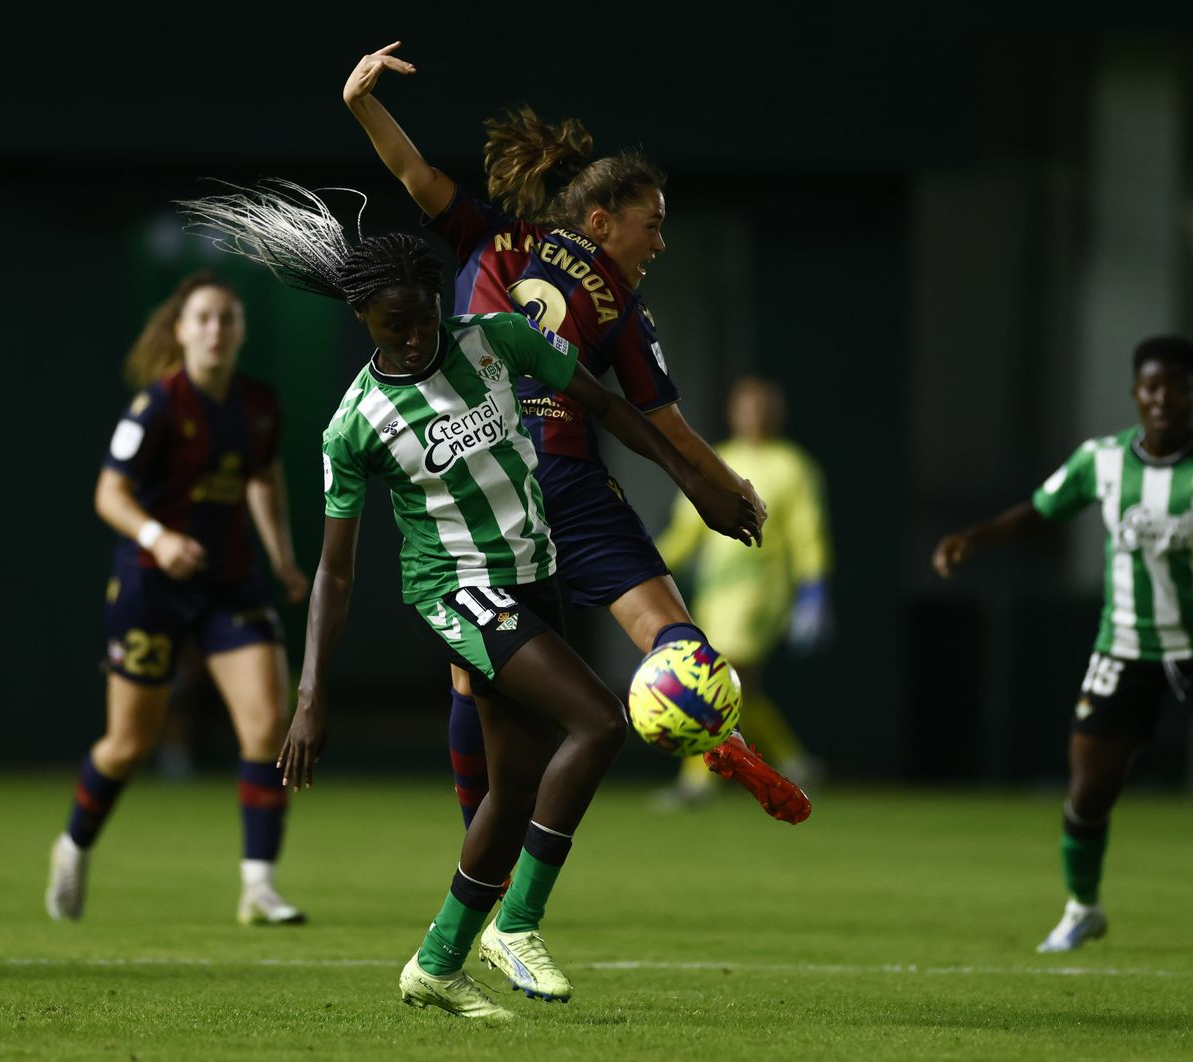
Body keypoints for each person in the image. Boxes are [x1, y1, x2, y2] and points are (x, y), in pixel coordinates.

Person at [177, 183, 759, 1018]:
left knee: (512, 791)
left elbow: (605, 406)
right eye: (394, 326)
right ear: (364, 323)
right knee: (597, 720)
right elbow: (335, 572)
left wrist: (688, 477)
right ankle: (516, 922)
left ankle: (437, 963)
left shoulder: (495, 339)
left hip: (531, 570)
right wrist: (310, 696)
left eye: (423, 318)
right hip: (455, 591)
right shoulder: (357, 425)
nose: (414, 337)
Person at [341, 42, 811, 825]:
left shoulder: (487, 237)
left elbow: (412, 173)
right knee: (671, 633)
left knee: (475, 676)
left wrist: (362, 105)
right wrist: (723, 491)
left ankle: (475, 838)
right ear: (601, 222)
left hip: (482, 479)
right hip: (566, 472)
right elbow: (665, 426)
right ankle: (699, 720)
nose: (657, 243)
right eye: (650, 226)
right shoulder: (621, 308)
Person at [930, 335, 1193, 952]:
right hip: (1125, 647)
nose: (1164, 398)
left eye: (1177, 387)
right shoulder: (1101, 461)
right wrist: (972, 539)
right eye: (1152, 387)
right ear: (1136, 393)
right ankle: (1083, 907)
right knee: (1088, 793)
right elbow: (1039, 511)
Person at [45, 272, 310, 926]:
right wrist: (159, 538)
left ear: (242, 331)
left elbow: (264, 477)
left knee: (267, 727)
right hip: (152, 587)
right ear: (183, 330)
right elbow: (109, 496)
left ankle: (259, 887)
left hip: (231, 585)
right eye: (205, 318)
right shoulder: (157, 406)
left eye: (228, 318)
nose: (217, 329)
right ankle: (73, 847)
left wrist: (281, 556)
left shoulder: (258, 405)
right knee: (129, 743)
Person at [657, 377, 832, 804]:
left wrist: (813, 588)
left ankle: (697, 779)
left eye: (763, 406)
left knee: (718, 675)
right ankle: (793, 759)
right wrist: (650, 562)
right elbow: (686, 529)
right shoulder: (720, 459)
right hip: (716, 592)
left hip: (761, 590)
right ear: (733, 412)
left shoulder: (793, 465)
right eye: (746, 406)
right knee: (742, 686)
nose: (754, 414)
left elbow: (808, 531)